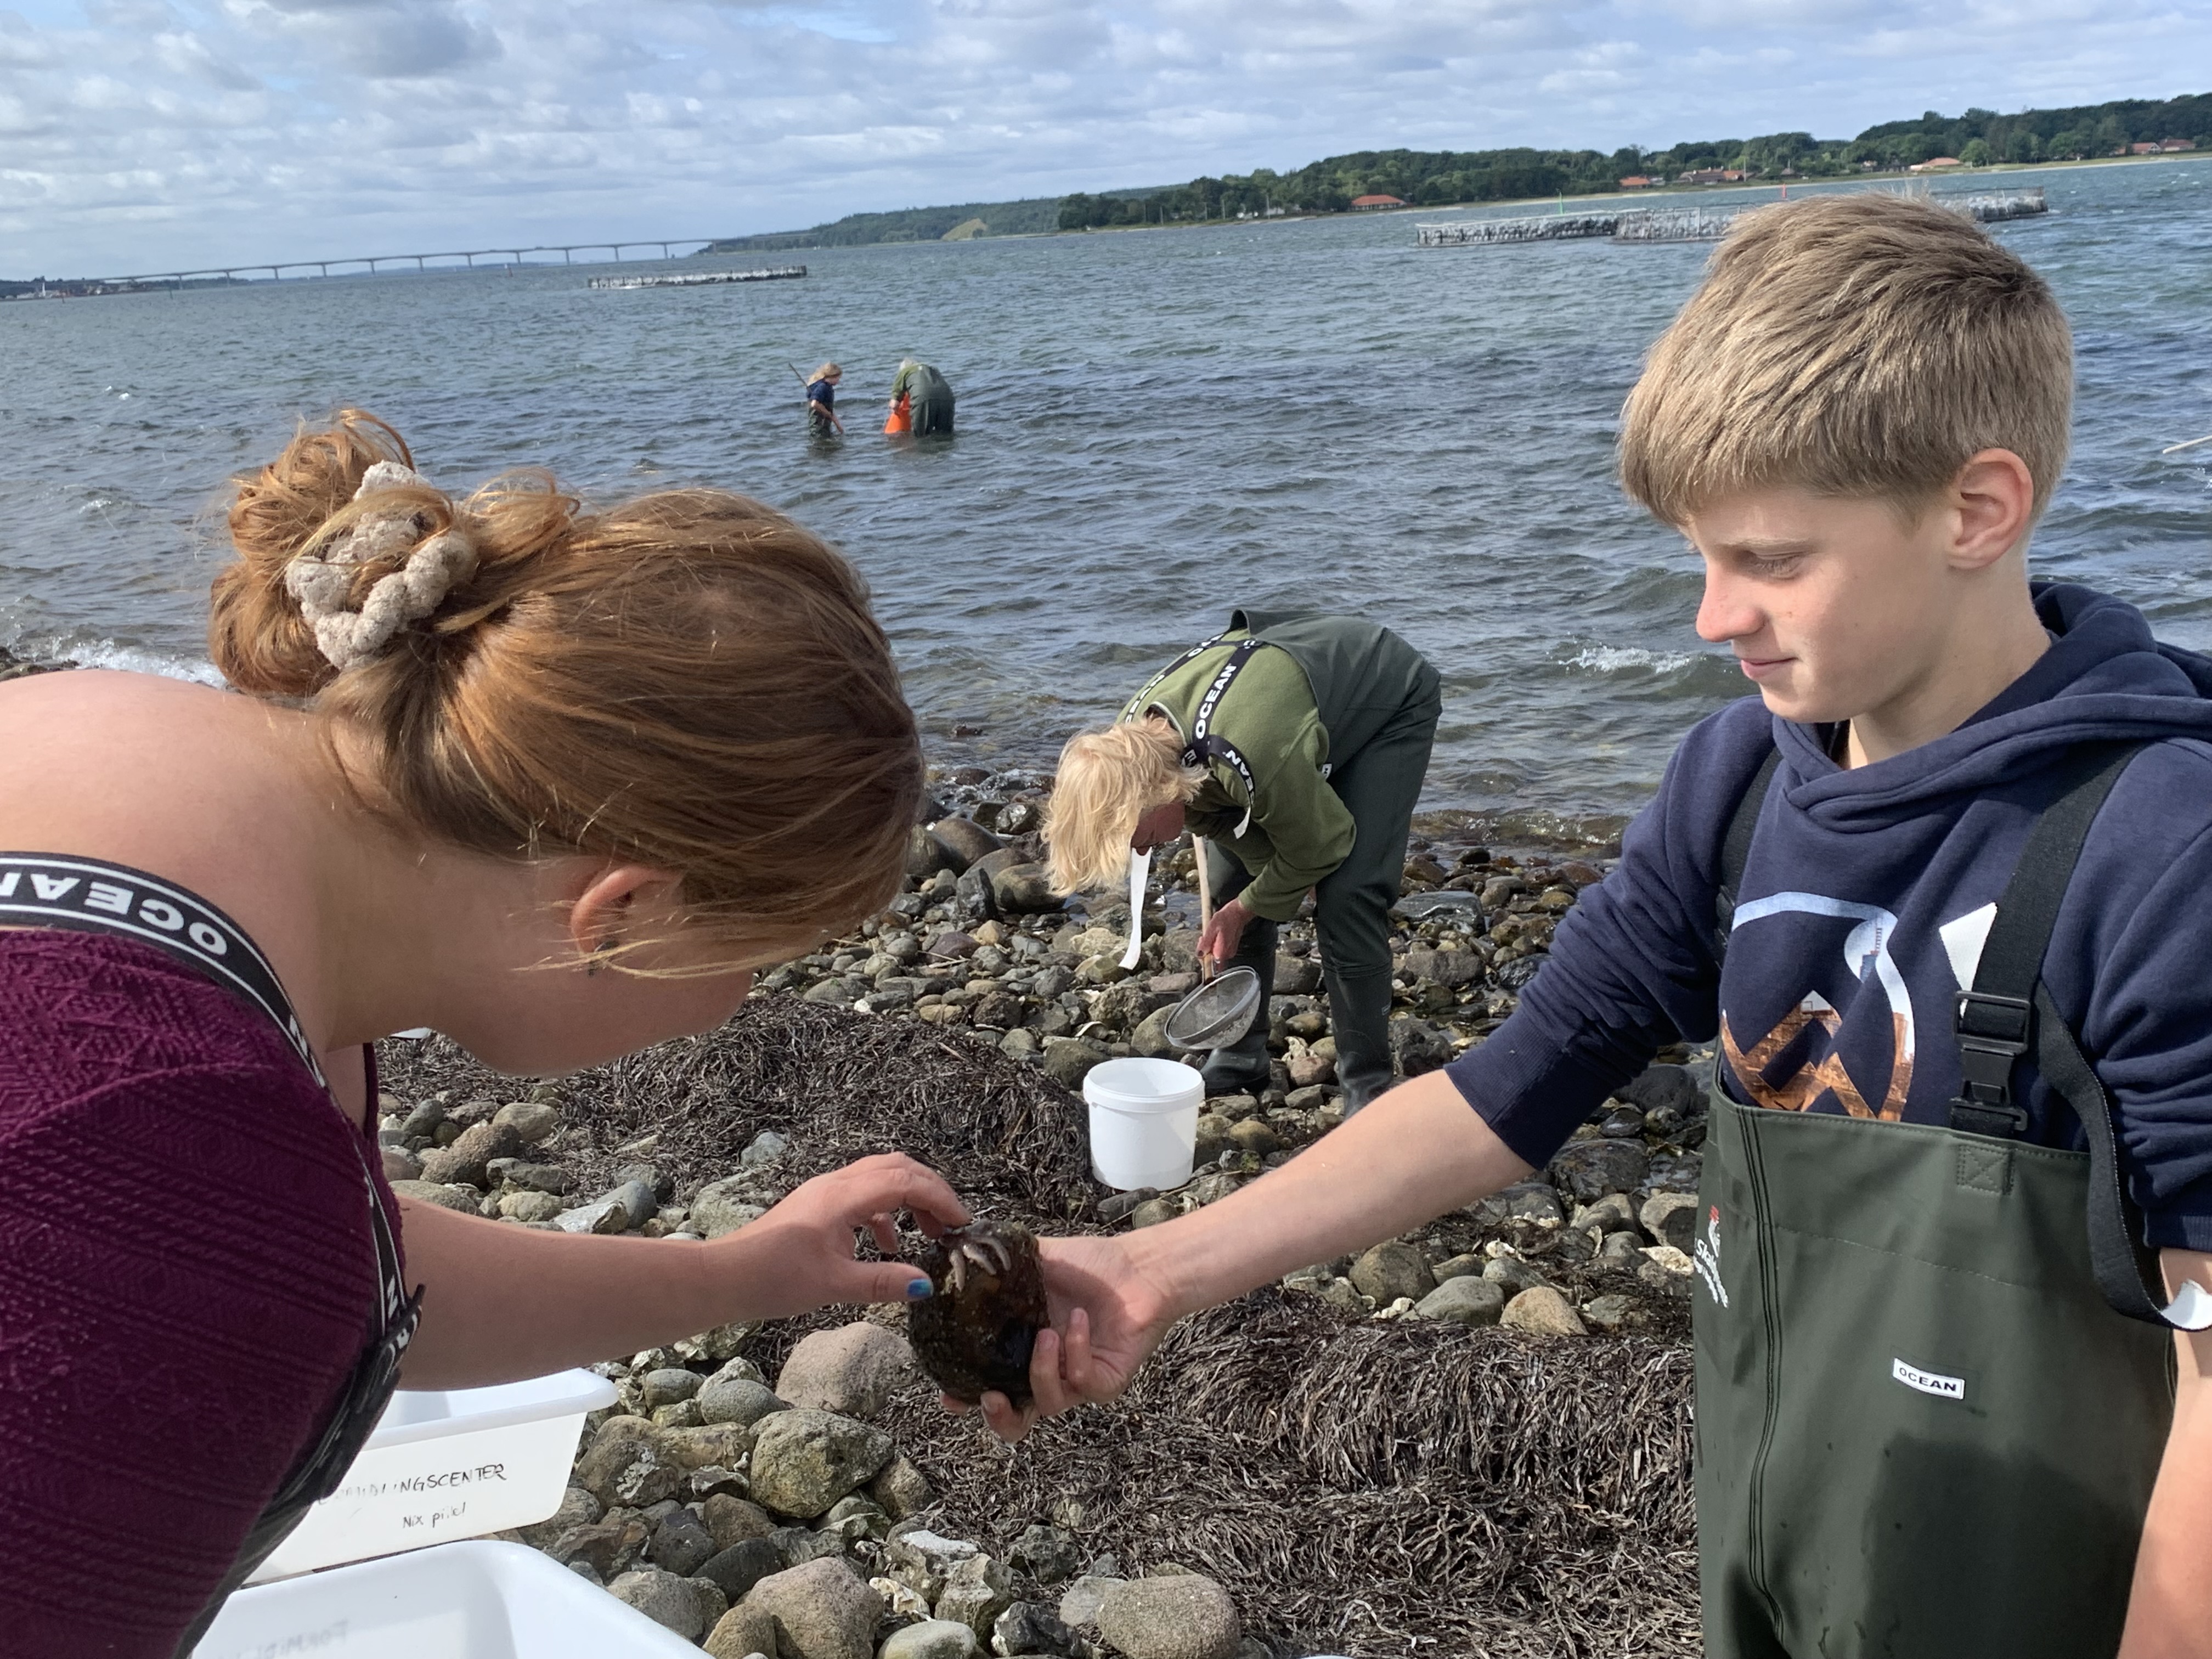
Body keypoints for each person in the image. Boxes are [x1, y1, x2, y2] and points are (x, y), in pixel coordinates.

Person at [997, 195, 2212, 1657]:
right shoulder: (1737, 783)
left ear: (1975, 508)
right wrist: (1154, 1270)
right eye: (1699, 557)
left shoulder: (2159, 849)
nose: (1712, 617)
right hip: (1782, 1529)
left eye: (1770, 559)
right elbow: (1513, 1089)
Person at [0, 411, 969, 1656]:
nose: (740, 1006)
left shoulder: (136, 755)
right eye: (761, 960)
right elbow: (218, 1255)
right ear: (622, 911)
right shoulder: (189, 1173)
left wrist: (752, 1270)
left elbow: (369, 1281)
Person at [1045, 612, 1441, 1111]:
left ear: (1158, 795)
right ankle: (1240, 1056)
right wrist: (1258, 895)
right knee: (1235, 885)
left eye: (1137, 837)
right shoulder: (1130, 747)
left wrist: (1279, 886)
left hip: (1384, 694)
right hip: (1279, 708)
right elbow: (1213, 820)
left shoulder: (1249, 753)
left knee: (1348, 895)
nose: (1142, 851)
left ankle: (1367, 1086)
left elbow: (1327, 842)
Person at [888, 359, 955, 436]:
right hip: (948, 398)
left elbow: (894, 404)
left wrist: (895, 410)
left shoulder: (905, 371)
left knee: (922, 437)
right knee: (946, 436)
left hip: (923, 398)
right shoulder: (933, 369)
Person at [805, 361, 843, 436]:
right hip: (819, 424)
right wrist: (827, 414)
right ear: (832, 376)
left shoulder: (825, 387)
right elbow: (815, 404)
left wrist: (839, 426)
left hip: (823, 425)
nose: (838, 381)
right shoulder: (823, 387)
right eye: (838, 379)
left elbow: (830, 411)